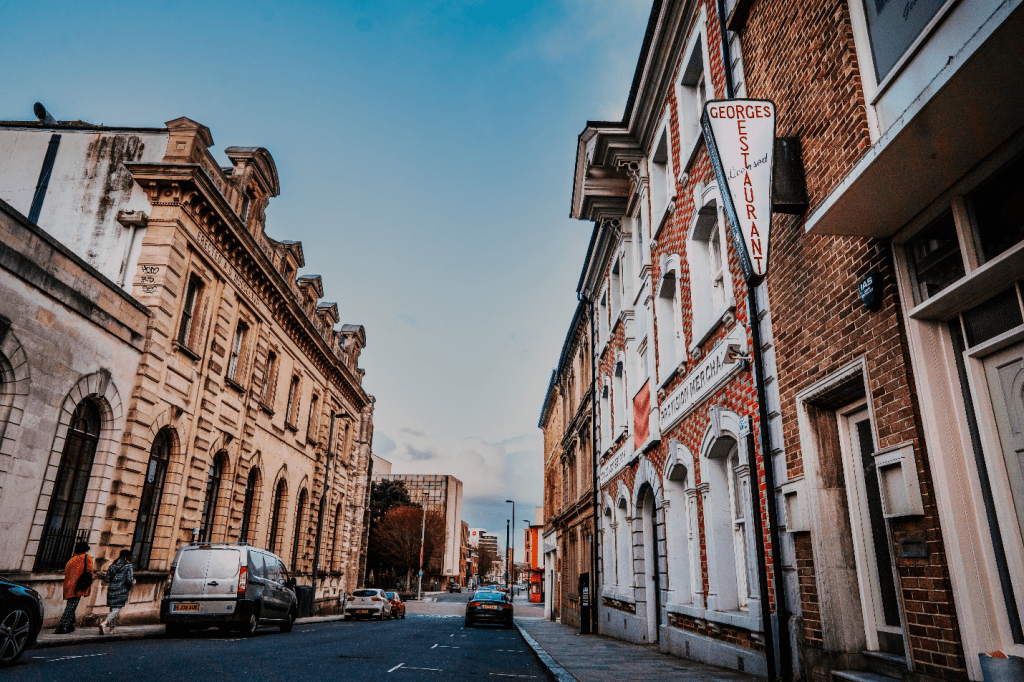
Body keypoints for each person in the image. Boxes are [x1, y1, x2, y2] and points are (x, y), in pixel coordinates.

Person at [55, 540, 94, 634]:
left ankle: (69, 625)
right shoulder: (87, 557)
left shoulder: (72, 559)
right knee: (71, 606)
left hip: (68, 585)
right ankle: (62, 625)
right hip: (78, 586)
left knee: (71, 605)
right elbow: (90, 571)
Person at [99, 549, 134, 634]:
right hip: (122, 589)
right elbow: (129, 580)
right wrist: (133, 582)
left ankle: (112, 629)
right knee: (116, 609)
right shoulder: (128, 566)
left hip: (112, 589)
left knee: (112, 608)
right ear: (128, 557)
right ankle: (104, 623)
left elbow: (107, 579)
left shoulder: (113, 565)